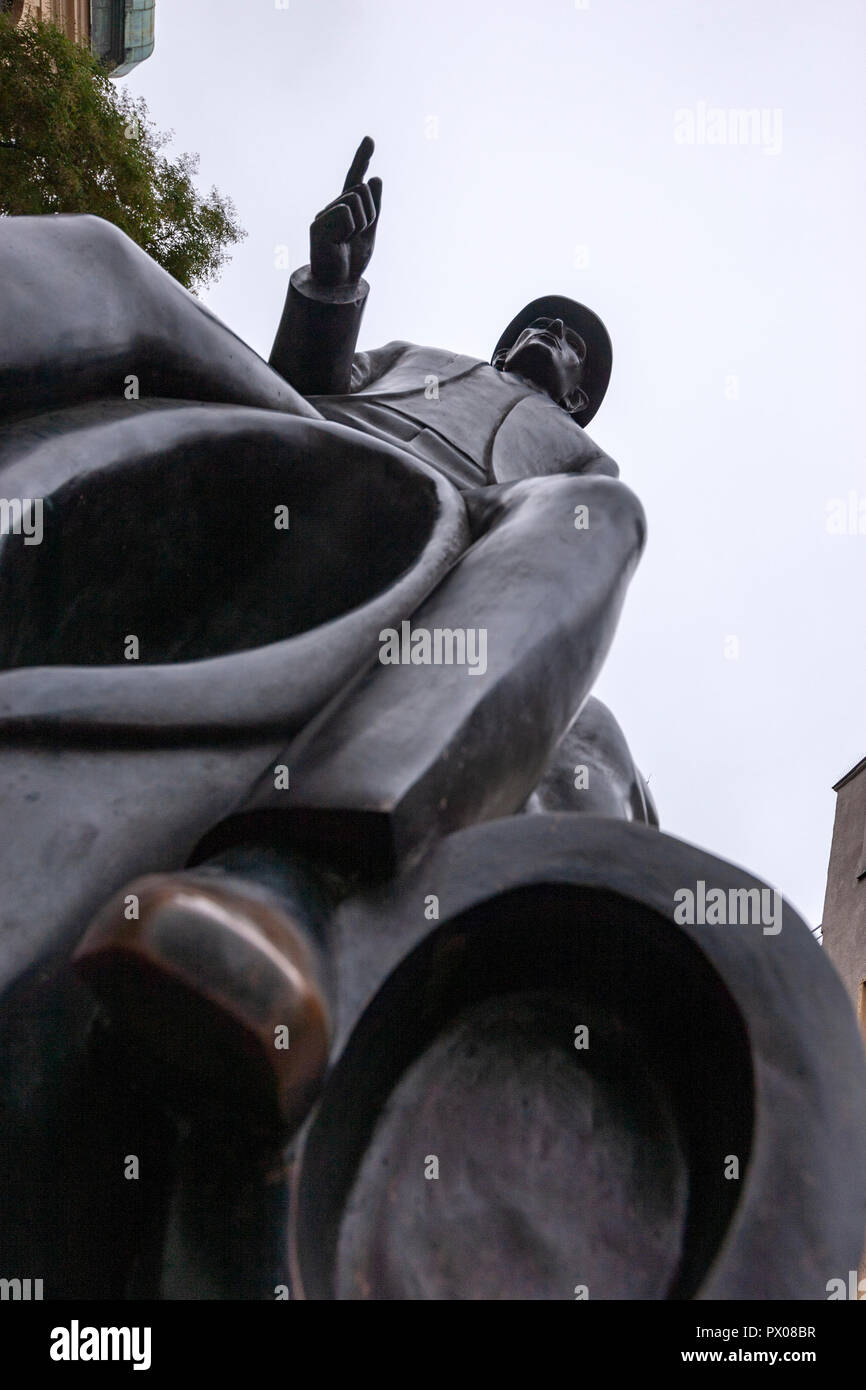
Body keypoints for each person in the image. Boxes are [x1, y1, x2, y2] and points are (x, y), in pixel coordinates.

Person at [72, 137, 652, 1130]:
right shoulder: (415, 358)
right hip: (299, 448)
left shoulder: (579, 465)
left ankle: (286, 873)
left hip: (430, 535)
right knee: (99, 256)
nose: (551, 338)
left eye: (571, 343)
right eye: (542, 323)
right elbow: (310, 381)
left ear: (582, 391)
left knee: (603, 518)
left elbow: (537, 561)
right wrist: (330, 287)